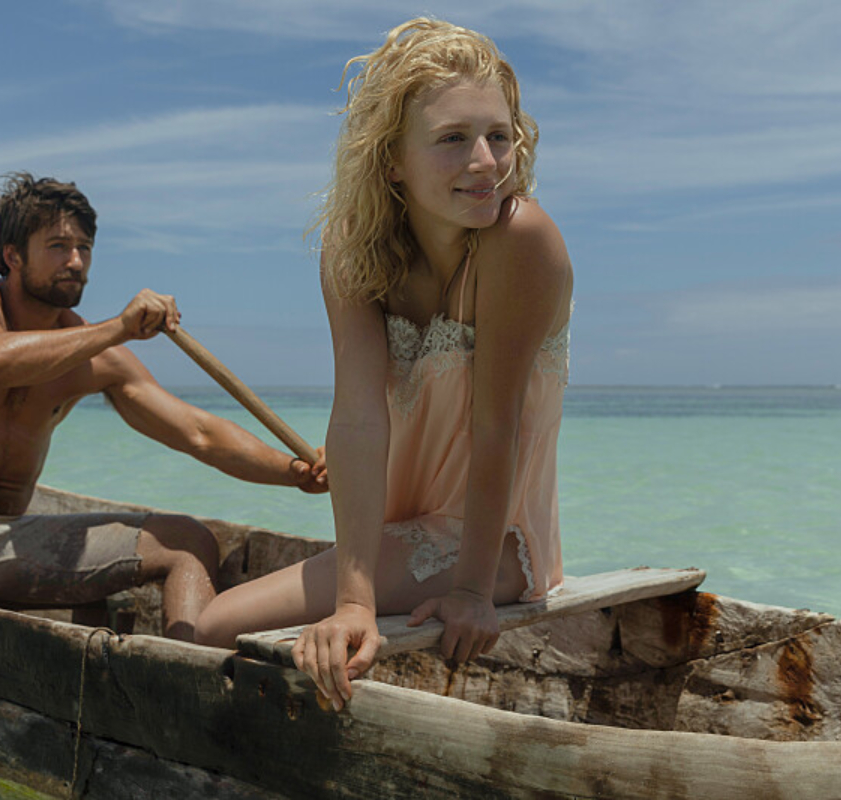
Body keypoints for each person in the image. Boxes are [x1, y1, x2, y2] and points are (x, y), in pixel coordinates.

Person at [194, 18, 573, 708]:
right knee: (212, 627)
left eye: (499, 135)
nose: (486, 161)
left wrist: (470, 591)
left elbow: (499, 425)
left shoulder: (520, 238)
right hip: (401, 528)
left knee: (216, 626)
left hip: (497, 546)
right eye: (453, 138)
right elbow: (358, 415)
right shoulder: (355, 245)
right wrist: (354, 600)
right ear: (392, 158)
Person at [0, 172, 326, 642]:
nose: (76, 261)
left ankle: (187, 672)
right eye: (58, 246)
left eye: (84, 248)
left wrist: (295, 471)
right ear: (12, 256)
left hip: (16, 538)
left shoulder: (93, 355)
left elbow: (199, 433)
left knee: (189, 541)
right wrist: (119, 328)